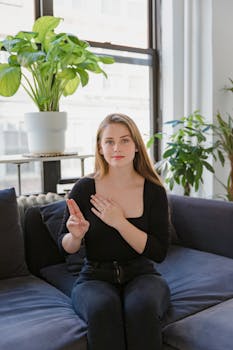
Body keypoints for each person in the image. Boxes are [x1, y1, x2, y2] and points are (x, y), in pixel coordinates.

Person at [58, 113, 171, 350]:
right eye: (109, 141)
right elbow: (66, 247)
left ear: (137, 146)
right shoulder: (84, 188)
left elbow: (158, 252)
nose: (116, 147)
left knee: (141, 308)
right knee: (102, 309)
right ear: (100, 147)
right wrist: (75, 236)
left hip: (142, 274)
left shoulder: (154, 190)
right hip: (94, 277)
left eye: (125, 140)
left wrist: (119, 222)